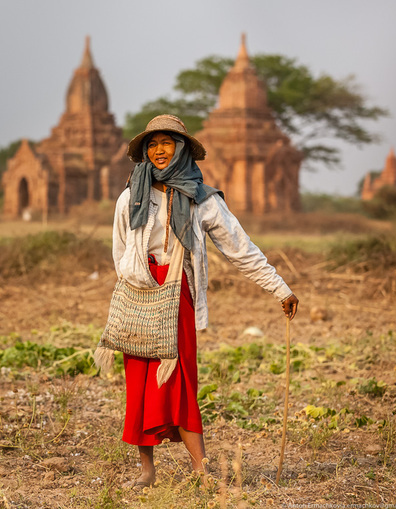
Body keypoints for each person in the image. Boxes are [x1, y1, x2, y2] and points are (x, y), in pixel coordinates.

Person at [104, 114, 299, 489]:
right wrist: (135, 287)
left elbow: (240, 249)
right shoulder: (130, 196)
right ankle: (147, 471)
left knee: (179, 379)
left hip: (179, 294)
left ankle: (201, 471)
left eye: (168, 142)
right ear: (146, 150)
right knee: (140, 383)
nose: (159, 150)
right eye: (153, 144)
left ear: (182, 149)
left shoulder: (203, 199)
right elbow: (121, 250)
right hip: (139, 293)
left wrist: (279, 287)